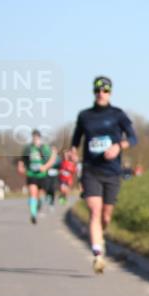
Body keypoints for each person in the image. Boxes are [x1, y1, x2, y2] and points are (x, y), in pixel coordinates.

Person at [69, 76, 138, 273]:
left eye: (105, 90)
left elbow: (133, 137)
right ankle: (97, 255)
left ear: (110, 92)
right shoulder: (84, 116)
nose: (101, 93)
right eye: (98, 90)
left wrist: (119, 146)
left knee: (106, 216)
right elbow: (75, 141)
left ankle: (101, 236)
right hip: (91, 170)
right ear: (94, 92)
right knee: (94, 211)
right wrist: (73, 152)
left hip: (112, 172)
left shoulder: (118, 115)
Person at [17, 129, 56, 224]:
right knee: (33, 193)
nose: (35, 139)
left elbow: (51, 159)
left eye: (37, 137)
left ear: (39, 138)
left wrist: (45, 166)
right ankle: (33, 214)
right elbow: (22, 160)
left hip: (42, 175)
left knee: (41, 194)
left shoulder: (44, 148)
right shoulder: (28, 148)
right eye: (34, 137)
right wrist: (21, 167)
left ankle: (39, 205)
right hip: (31, 174)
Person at [44, 145, 62, 210]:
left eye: (54, 150)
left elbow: (60, 167)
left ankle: (52, 203)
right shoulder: (47, 158)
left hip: (55, 175)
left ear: (56, 151)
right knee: (47, 187)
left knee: (53, 188)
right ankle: (47, 196)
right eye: (51, 150)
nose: (52, 151)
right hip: (47, 174)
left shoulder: (58, 158)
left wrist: (59, 171)